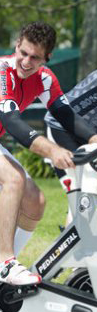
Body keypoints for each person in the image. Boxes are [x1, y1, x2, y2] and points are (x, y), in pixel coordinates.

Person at [0, 22, 97, 286]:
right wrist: (53, 150)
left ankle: (2, 271)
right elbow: (14, 124)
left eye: (35, 57)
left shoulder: (45, 79)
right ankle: (5, 262)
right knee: (14, 179)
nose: (26, 61)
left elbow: (66, 115)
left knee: (36, 201)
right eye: (23, 52)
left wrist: (93, 138)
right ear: (16, 46)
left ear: (47, 58)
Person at [44, 69, 97, 224]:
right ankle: (74, 242)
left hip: (88, 133)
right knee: (81, 196)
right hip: (62, 128)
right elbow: (64, 116)